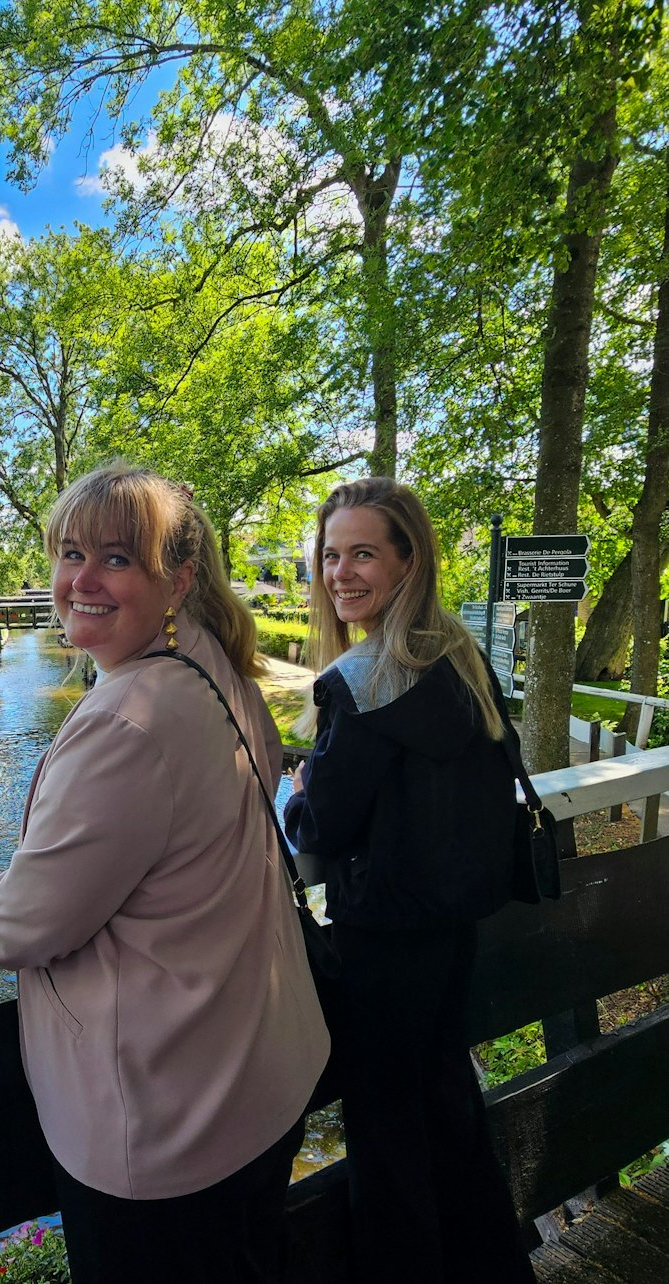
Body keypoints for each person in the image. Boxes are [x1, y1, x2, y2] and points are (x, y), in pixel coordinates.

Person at [0, 462, 329, 1284]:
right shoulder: (220, 678)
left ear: (179, 579)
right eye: (70, 552)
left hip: (165, 1124)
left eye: (117, 559)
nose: (80, 579)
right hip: (258, 1078)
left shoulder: (125, 722)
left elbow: (30, 923)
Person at [283, 477, 534, 1284]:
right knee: (449, 1119)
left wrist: (295, 794)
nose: (340, 573)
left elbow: (320, 827)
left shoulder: (358, 683)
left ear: (408, 560)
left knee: (388, 1142)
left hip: (382, 944)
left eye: (363, 553)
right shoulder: (461, 658)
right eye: (330, 554)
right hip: (454, 931)